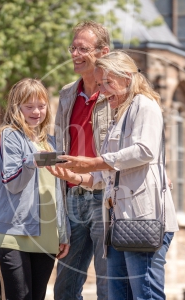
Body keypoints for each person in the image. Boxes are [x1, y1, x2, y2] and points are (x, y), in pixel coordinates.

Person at [47, 50, 179, 299]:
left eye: (108, 82)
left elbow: (144, 150)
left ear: (127, 78)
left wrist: (95, 161)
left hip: (143, 219)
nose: (103, 90)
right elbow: (106, 174)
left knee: (145, 295)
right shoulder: (119, 115)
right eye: (100, 83)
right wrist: (77, 174)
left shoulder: (144, 105)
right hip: (117, 223)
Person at [0, 78, 70, 300]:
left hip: (46, 240)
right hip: (11, 236)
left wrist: (63, 231)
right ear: (16, 107)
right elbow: (13, 183)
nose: (36, 112)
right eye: (29, 106)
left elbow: (57, 191)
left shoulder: (50, 142)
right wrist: (34, 160)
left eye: (41, 106)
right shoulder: (8, 135)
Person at [53, 21, 111, 300]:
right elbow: (60, 142)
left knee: (108, 284)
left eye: (82, 49)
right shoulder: (67, 93)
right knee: (64, 287)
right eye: (73, 48)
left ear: (103, 52)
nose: (75, 54)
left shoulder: (116, 93)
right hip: (73, 196)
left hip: (107, 196)